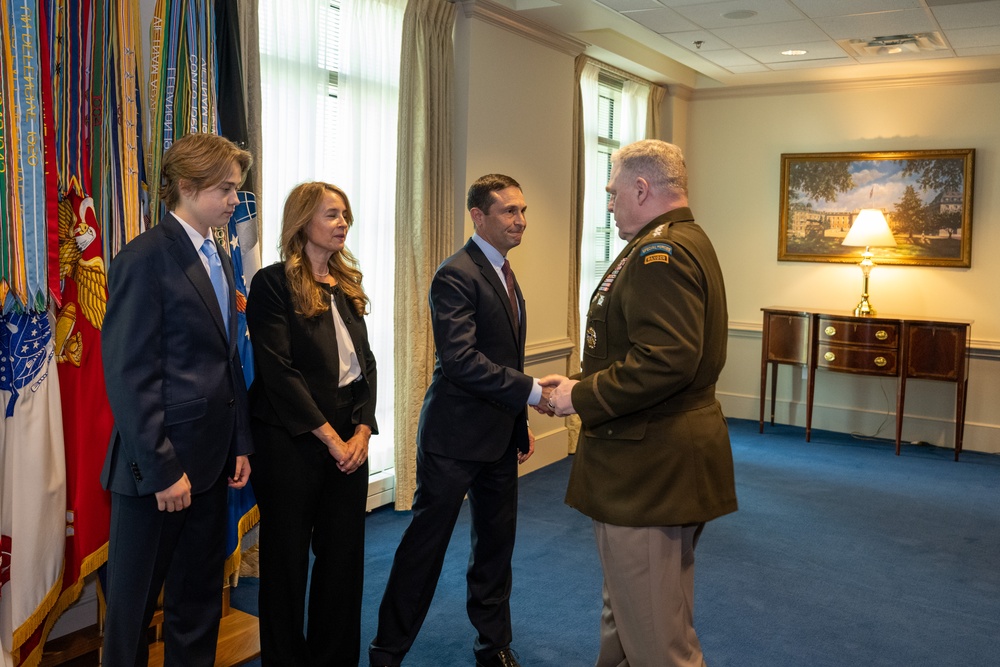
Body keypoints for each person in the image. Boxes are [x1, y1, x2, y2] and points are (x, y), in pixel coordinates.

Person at [544, 139, 738, 667]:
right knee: (629, 613)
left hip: (649, 465)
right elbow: (638, 349)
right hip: (654, 459)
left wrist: (579, 397)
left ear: (641, 188)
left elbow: (667, 359)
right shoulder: (674, 241)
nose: (609, 204)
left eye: (612, 192)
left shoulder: (662, 252)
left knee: (657, 638)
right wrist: (574, 382)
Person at [369, 174, 550, 667]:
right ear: (478, 215)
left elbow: (504, 358)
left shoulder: (506, 274)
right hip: (452, 442)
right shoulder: (456, 273)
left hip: (497, 440)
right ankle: (387, 651)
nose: (521, 221)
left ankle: (494, 646)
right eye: (509, 211)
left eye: (523, 210)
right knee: (423, 551)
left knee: (495, 550)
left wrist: (517, 422)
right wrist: (532, 394)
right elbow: (462, 361)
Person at [100, 132, 254, 666]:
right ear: (188, 187)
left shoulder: (219, 255)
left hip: (212, 465)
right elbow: (129, 373)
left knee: (197, 606)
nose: (236, 200)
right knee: (131, 615)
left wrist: (240, 441)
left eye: (237, 189)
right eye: (227, 189)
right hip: (155, 474)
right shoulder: (144, 258)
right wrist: (163, 469)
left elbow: (226, 360)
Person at [246, 182, 377, 665]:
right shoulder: (272, 283)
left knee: (343, 560)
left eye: (345, 214)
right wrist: (330, 438)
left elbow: (366, 364)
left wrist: (362, 431)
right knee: (286, 563)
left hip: (350, 437)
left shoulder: (345, 284)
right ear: (302, 222)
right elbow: (278, 372)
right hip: (291, 439)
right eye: (331, 215)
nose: (343, 222)